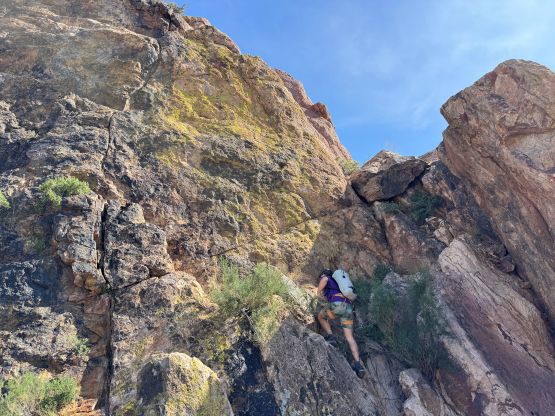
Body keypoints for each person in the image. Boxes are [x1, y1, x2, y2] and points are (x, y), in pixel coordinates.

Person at [317, 268, 365, 378]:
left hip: (337, 305)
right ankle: (358, 365)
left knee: (321, 316)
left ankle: (331, 336)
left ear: (323, 275)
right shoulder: (339, 284)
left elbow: (319, 292)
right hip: (347, 308)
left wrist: (320, 294)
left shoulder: (325, 278)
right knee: (349, 337)